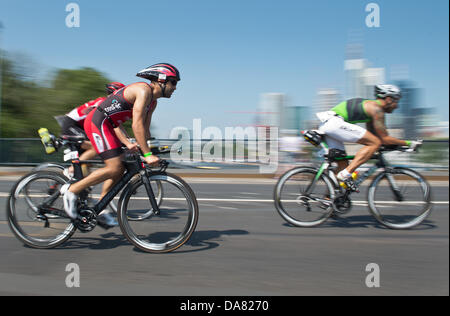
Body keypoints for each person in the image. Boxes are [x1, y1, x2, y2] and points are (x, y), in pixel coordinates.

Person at [61, 63, 180, 228]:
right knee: (114, 167)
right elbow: (136, 125)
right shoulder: (143, 91)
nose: (175, 87)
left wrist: (152, 149)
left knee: (122, 166)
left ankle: (101, 209)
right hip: (98, 122)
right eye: (173, 82)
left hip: (109, 126)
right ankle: (72, 191)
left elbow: (145, 130)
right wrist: (146, 155)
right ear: (161, 79)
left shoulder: (153, 103)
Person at [316, 84, 421, 184]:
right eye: (396, 101)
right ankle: (347, 173)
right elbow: (383, 139)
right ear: (389, 99)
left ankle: (329, 198)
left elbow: (376, 136)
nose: (396, 106)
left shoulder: (371, 109)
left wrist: (394, 145)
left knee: (342, 164)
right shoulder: (376, 109)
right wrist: (408, 143)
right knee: (374, 143)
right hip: (334, 123)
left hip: (329, 125)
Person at [55, 82, 126, 176]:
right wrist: (125, 140)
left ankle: (81, 184)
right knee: (95, 148)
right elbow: (113, 126)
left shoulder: (108, 104)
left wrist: (126, 138)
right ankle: (71, 170)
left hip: (78, 126)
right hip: (71, 124)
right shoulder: (103, 102)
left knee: (88, 162)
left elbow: (117, 124)